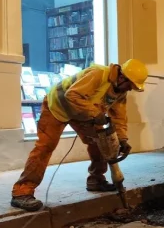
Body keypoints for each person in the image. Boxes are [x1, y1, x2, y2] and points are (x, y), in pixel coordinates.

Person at [11, 59, 149, 212]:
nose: (130, 89)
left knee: (101, 143)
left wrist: (123, 139)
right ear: (122, 77)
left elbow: (119, 117)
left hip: (81, 113)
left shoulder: (120, 91)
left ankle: (96, 180)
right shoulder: (98, 74)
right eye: (130, 85)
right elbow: (72, 95)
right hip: (56, 107)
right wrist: (95, 113)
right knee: (45, 147)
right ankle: (22, 192)